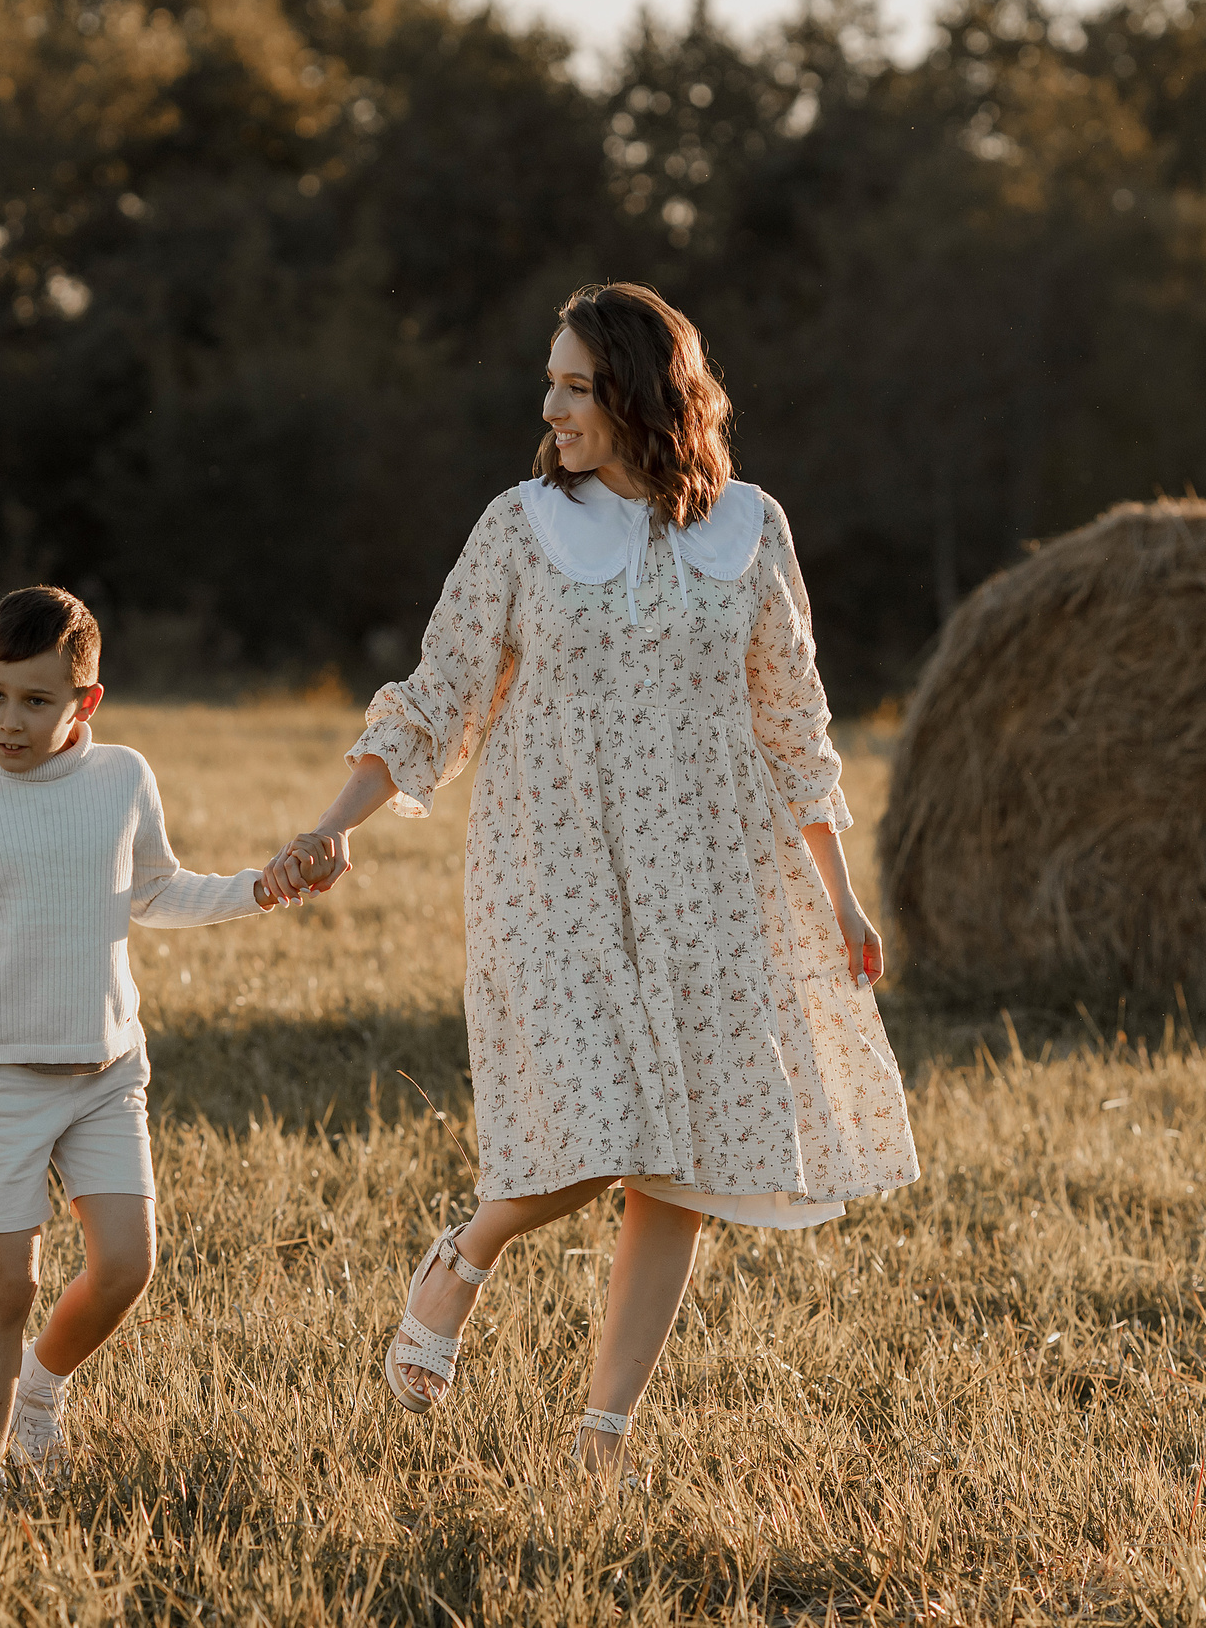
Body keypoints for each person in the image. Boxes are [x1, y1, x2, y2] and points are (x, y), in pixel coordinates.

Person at [261, 282, 918, 1483]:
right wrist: (335, 825)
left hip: (712, 870)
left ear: (636, 394)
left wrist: (840, 895)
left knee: (685, 1157)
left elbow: (792, 723)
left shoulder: (750, 528)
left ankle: (603, 1435)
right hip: (550, 862)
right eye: (550, 383)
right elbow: (437, 694)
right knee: (585, 1127)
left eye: (574, 385)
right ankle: (463, 1256)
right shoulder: (519, 526)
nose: (549, 406)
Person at [0, 586, 292, 1492]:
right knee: (7, 1287)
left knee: (125, 1265)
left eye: (37, 700)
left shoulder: (122, 780)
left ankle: (40, 1391)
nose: (10, 720)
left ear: (87, 703)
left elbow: (154, 888)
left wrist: (253, 889)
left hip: (108, 1070)